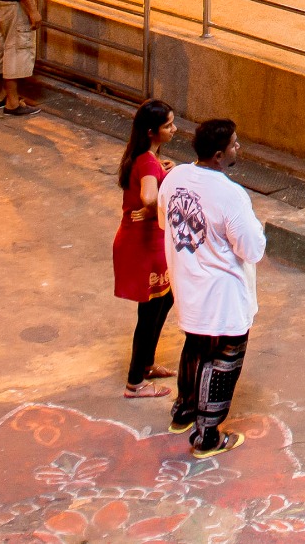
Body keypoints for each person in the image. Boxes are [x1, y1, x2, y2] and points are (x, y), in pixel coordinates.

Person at [163, 116, 268, 455]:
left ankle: (184, 410)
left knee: (195, 346)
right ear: (219, 155)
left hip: (188, 286)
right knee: (223, 359)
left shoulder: (175, 177)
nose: (240, 148)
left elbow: (164, 214)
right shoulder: (230, 195)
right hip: (223, 296)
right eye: (236, 144)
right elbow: (252, 248)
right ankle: (207, 435)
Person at [115, 100, 180, 398]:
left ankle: (147, 364)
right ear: (153, 132)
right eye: (168, 126)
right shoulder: (147, 163)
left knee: (163, 302)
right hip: (145, 246)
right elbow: (149, 195)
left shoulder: (144, 157)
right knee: (150, 312)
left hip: (151, 243)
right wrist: (154, 210)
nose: (174, 129)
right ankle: (134, 382)